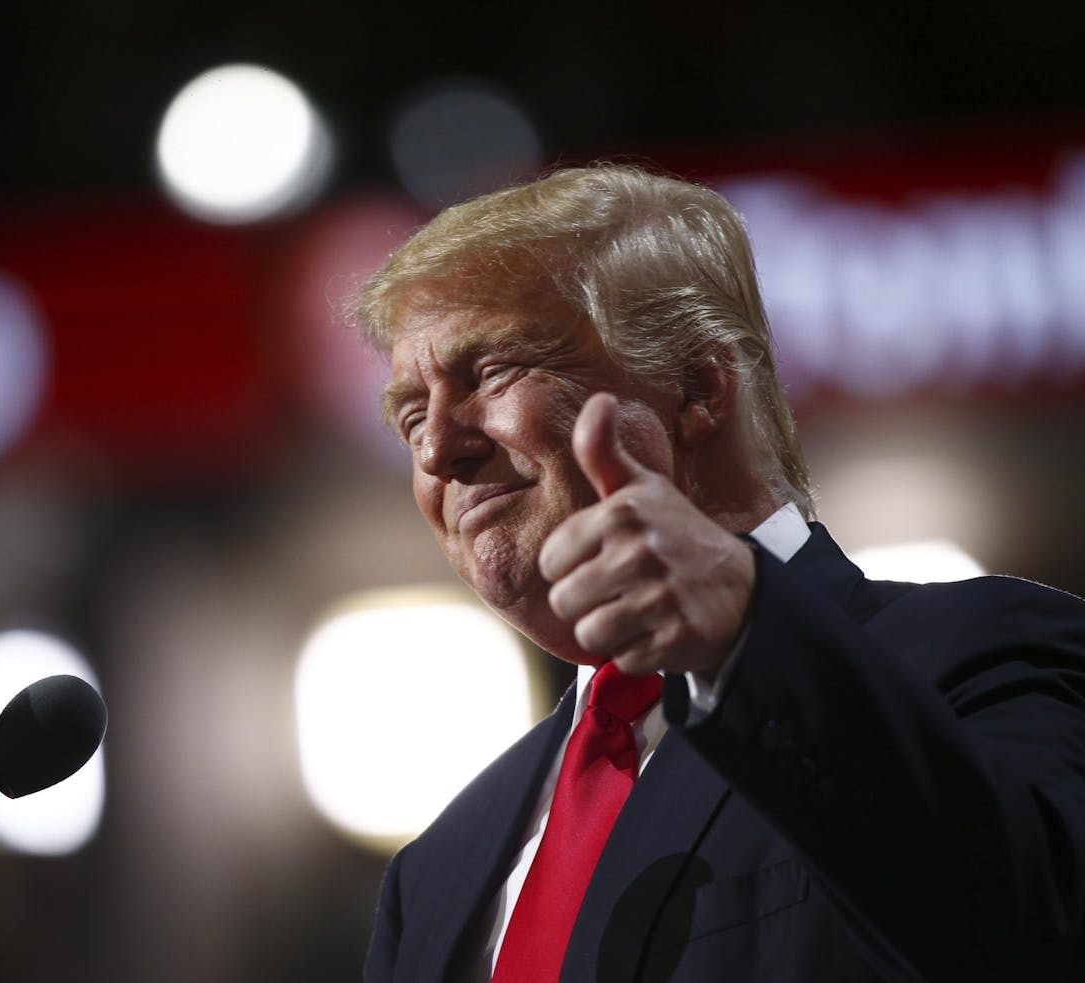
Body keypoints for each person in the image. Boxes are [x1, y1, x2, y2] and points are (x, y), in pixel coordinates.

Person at [357, 164, 1085, 982]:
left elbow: (1033, 928)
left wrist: (748, 635)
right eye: (411, 414)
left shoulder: (980, 653)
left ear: (697, 387)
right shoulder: (436, 873)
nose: (435, 449)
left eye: (492, 372)